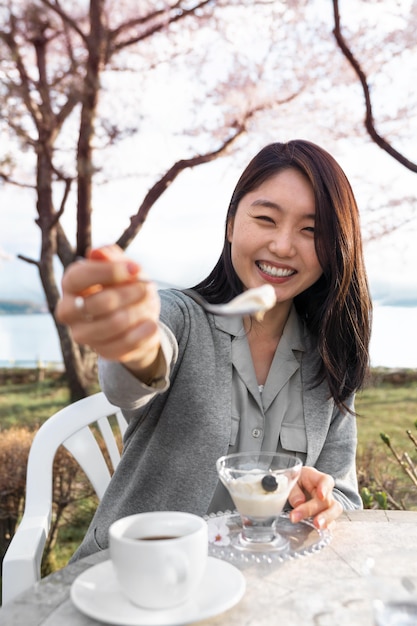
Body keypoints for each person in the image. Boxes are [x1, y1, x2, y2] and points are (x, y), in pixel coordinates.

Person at [56, 139, 372, 560]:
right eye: (265, 218)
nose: (282, 245)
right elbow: (135, 373)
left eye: (311, 230)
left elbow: (344, 497)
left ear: (334, 248)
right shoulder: (180, 318)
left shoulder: (330, 358)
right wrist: (131, 340)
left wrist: (321, 501)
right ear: (231, 224)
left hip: (257, 590)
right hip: (134, 579)